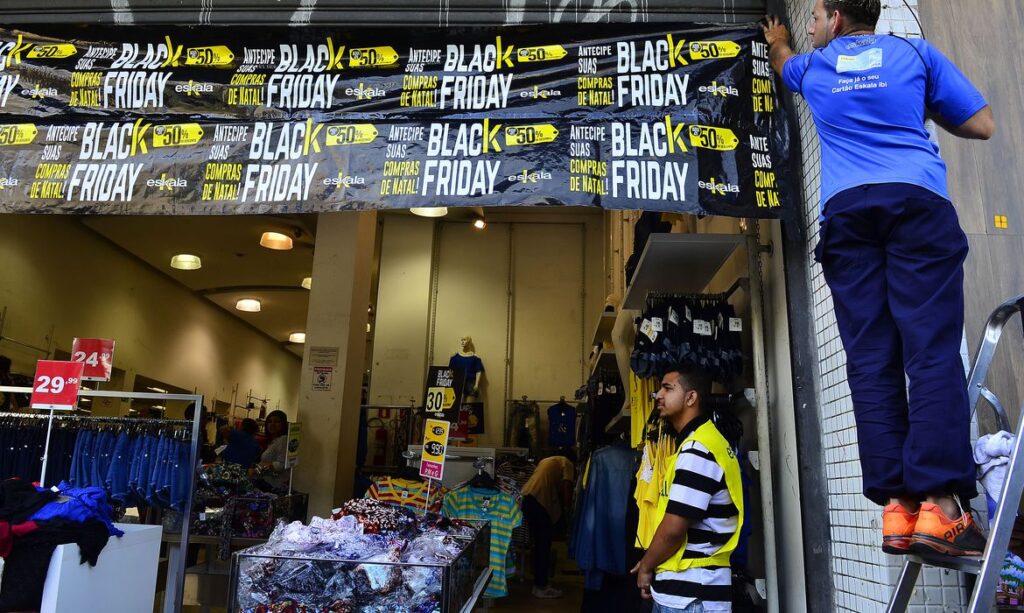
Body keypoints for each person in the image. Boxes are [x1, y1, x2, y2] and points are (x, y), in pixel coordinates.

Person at [762, 0, 995, 556]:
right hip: (916, 205)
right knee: (930, 352)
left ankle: (897, 509)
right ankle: (940, 508)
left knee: (871, 359)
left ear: (836, 19)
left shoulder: (811, 68)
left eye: (814, 18)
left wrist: (776, 38)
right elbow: (982, 124)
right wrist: (914, 102)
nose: (810, 27)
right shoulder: (915, 52)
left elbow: (782, 60)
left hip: (847, 216)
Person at [631, 364, 742, 612]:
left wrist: (646, 565)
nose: (658, 395)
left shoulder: (698, 450)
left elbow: (674, 528)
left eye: (667, 388)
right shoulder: (699, 444)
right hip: (688, 593)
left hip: (691, 596)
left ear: (691, 397)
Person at [520, 452, 575, 599]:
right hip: (539, 502)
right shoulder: (567, 463)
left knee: (538, 545)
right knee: (543, 545)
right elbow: (567, 487)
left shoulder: (547, 460)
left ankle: (539, 582)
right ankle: (540, 586)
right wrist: (568, 509)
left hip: (526, 497)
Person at [251, 410, 290, 491]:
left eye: (276, 421)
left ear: (283, 424)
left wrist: (260, 468)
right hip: (265, 482)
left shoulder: (283, 439)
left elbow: (281, 464)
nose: (272, 424)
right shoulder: (273, 441)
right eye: (269, 421)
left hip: (273, 485)